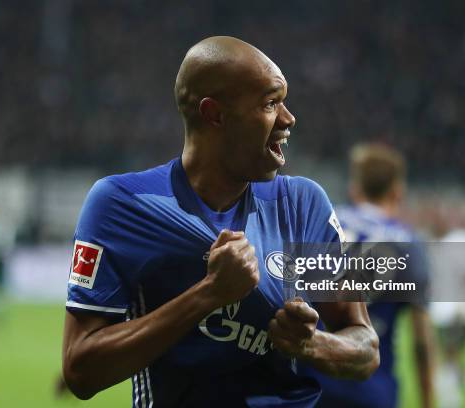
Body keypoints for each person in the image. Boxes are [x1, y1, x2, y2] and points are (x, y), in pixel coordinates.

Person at [61, 36, 379, 407]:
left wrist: (313, 343)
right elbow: (80, 371)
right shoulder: (123, 205)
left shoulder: (303, 205)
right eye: (271, 103)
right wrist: (208, 294)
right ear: (214, 114)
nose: (289, 119)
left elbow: (366, 349)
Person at [305, 143, 435, 408]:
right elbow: (421, 341)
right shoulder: (408, 243)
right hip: (372, 387)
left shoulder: (323, 221)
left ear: (355, 188)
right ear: (398, 191)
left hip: (312, 382)